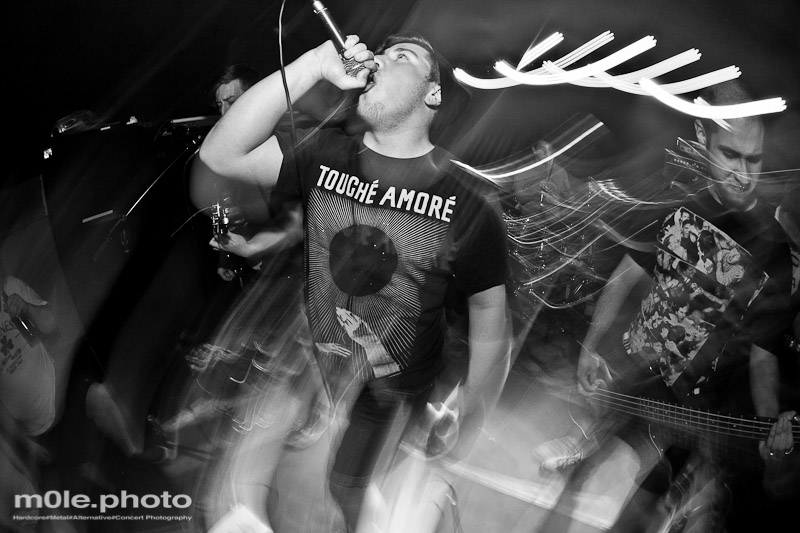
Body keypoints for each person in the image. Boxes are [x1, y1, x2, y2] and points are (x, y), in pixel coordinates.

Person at [196, 31, 511, 531]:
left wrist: (471, 413)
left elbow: (490, 314)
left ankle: (428, 502)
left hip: (394, 386)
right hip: (326, 358)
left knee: (346, 485)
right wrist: (311, 65)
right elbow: (220, 154)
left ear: (432, 93)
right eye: (381, 52)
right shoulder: (323, 151)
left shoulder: (469, 200)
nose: (380, 59)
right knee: (274, 450)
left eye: (402, 56)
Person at [534, 80, 797, 532]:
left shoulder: (773, 249)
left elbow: (763, 353)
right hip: (634, 378)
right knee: (578, 479)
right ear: (702, 137)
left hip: (692, 413)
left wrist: (770, 426)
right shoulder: (675, 200)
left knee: (636, 517)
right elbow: (628, 273)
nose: (743, 174)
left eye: (753, 159)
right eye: (730, 155)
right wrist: (592, 345)